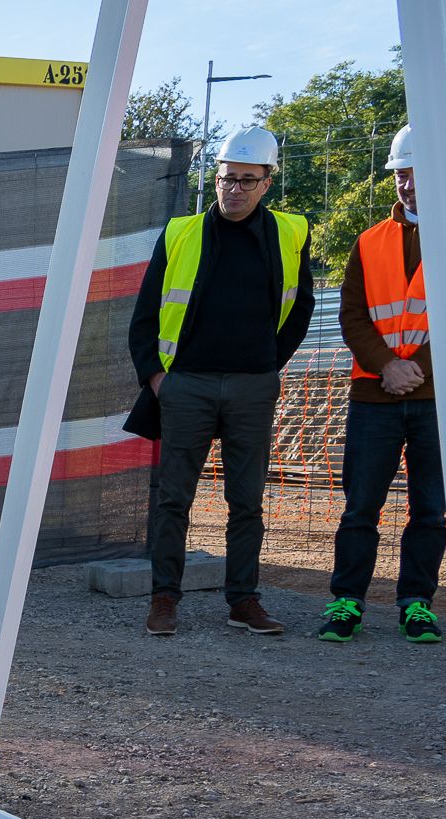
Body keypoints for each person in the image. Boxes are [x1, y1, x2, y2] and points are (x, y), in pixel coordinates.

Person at [126, 125, 315, 637]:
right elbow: (143, 317)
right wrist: (159, 380)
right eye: (227, 179)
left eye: (247, 181)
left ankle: (243, 602)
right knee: (173, 499)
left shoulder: (291, 234)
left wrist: (267, 364)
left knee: (247, 501)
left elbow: (300, 309)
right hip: (186, 385)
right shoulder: (180, 233)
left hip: (253, 386)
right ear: (216, 177)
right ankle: (164, 598)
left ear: (268, 182)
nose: (234, 189)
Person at [319, 126, 446, 644]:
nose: (407, 184)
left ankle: (416, 603)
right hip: (375, 395)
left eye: (417, 173)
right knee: (360, 505)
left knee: (430, 508)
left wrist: (414, 367)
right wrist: (386, 365)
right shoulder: (369, 240)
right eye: (401, 174)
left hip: (440, 397)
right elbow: (352, 315)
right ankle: (346, 600)